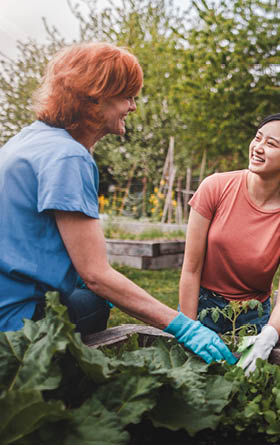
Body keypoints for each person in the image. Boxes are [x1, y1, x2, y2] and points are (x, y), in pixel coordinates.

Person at [0, 42, 235, 364]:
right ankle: (59, 378)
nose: (133, 107)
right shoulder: (68, 156)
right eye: (127, 96)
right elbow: (96, 274)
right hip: (14, 325)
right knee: (96, 301)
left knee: (89, 293)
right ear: (95, 97)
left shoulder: (29, 139)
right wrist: (183, 326)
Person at [179, 113, 280, 374]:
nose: (258, 147)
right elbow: (191, 268)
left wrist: (269, 337)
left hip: (252, 319)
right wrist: (188, 327)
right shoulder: (216, 187)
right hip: (201, 306)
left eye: (271, 144)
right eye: (258, 138)